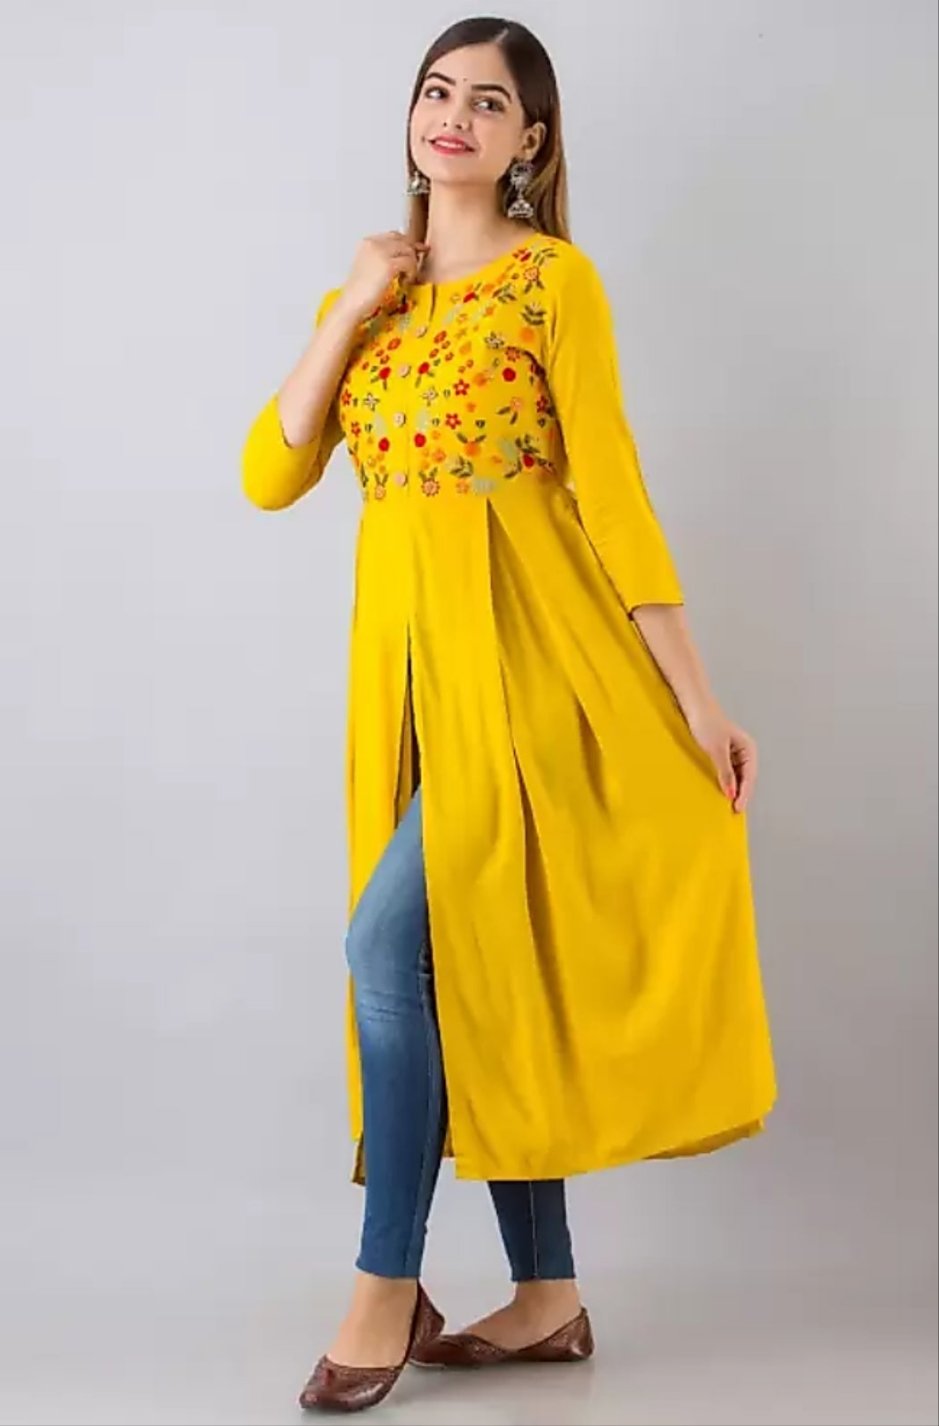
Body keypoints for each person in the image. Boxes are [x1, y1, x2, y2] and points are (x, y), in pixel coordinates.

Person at [240, 14, 778, 1414]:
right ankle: (549, 1297)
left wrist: (699, 702)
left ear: (530, 141)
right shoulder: (368, 295)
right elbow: (270, 473)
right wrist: (354, 303)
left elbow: (614, 495)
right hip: (411, 683)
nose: (455, 117)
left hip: (540, 669)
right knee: (473, 958)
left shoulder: (554, 283)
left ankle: (384, 1283)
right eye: (438, 91)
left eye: (489, 102)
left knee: (384, 942)